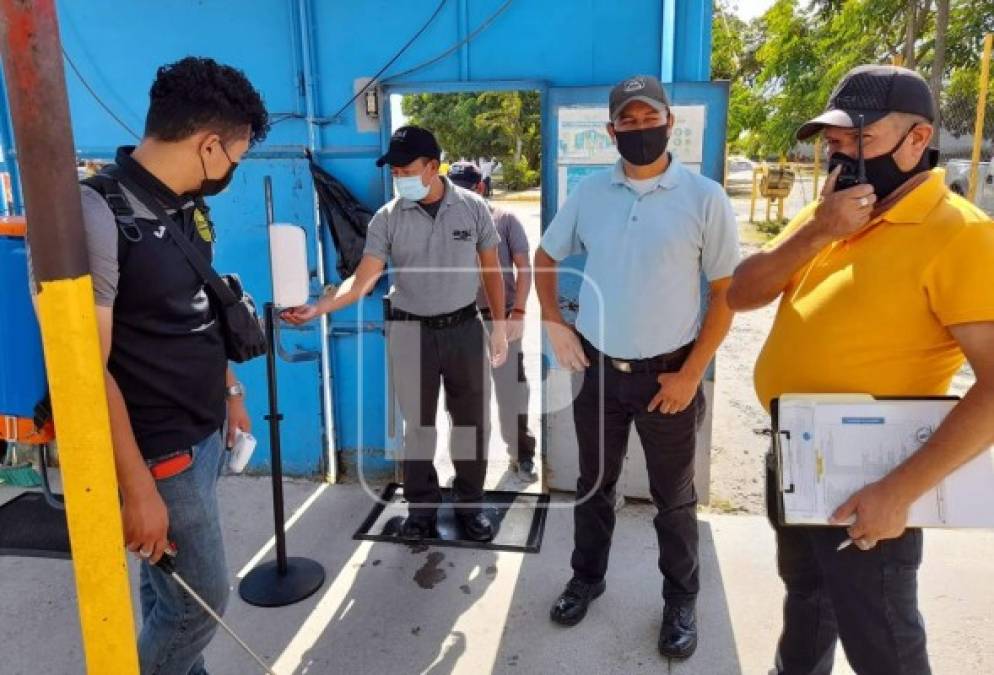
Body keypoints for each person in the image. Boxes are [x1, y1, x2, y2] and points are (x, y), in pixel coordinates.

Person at [727, 64, 994, 675]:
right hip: (794, 452)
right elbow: (742, 293)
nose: (842, 155)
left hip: (871, 475)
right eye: (834, 142)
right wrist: (818, 230)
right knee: (807, 596)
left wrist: (899, 492)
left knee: (881, 641)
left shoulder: (961, 236)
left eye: (860, 139)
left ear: (917, 140)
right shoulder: (832, 213)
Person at [534, 75, 740, 659]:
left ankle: (681, 599)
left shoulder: (705, 198)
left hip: (668, 379)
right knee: (594, 486)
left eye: (651, 120)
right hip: (600, 372)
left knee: (673, 500)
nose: (641, 130)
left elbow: (727, 292)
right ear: (612, 130)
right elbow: (546, 257)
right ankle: (587, 578)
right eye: (629, 121)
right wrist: (555, 322)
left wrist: (692, 373)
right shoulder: (591, 195)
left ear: (670, 123)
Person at [78, 57, 268, 674]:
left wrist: (231, 391)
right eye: (234, 159)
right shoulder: (99, 213)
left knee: (167, 589)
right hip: (160, 454)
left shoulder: (183, 205)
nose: (231, 172)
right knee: (201, 602)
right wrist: (136, 488)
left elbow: (197, 313)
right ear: (208, 144)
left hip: (205, 432)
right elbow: (86, 369)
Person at [283, 126, 508, 542]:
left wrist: (499, 327)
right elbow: (362, 281)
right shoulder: (387, 218)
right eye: (394, 171)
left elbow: (492, 270)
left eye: (406, 169)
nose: (398, 177)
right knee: (416, 428)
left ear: (433, 167)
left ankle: (470, 506)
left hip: (464, 330)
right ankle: (421, 510)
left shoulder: (474, 208)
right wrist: (320, 306)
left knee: (471, 425)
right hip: (410, 332)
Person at [448, 160, 538, 477]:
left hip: (501, 320)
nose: (461, 194)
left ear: (481, 187)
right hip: (460, 322)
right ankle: (469, 467)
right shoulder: (445, 223)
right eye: (455, 187)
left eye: (467, 187)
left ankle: (522, 454)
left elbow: (524, 268)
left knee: (512, 392)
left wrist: (519, 312)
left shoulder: (505, 219)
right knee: (465, 398)